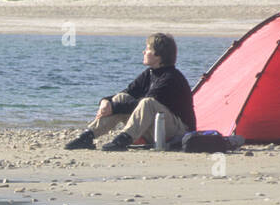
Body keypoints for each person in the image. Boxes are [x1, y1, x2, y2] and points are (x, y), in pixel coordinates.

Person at [64, 33, 197, 151]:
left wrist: (113, 108)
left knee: (147, 102)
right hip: (155, 127)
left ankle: (123, 140)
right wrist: (105, 101)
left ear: (158, 55)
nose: (143, 52)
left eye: (147, 49)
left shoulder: (171, 78)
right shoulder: (150, 73)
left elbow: (143, 105)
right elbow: (128, 93)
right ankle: (87, 136)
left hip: (179, 132)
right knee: (121, 97)